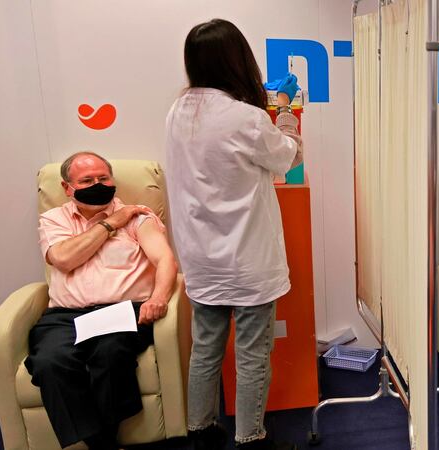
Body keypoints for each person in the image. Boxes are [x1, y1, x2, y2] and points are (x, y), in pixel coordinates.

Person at [164, 19, 303, 450]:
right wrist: (282, 109)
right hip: (246, 261)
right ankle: (251, 439)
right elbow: (286, 159)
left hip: (202, 258)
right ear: (237, 60)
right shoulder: (247, 118)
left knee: (205, 349)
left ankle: (202, 433)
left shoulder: (178, 112)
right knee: (252, 355)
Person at [27, 151, 177, 449]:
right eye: (87, 180)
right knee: (48, 362)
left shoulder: (138, 216)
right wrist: (110, 224)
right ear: (67, 188)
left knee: (109, 353)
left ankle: (101, 444)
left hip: (122, 312)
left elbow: (165, 260)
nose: (98, 184)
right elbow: (64, 258)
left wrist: (158, 298)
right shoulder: (53, 219)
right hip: (64, 317)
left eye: (103, 178)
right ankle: (103, 443)